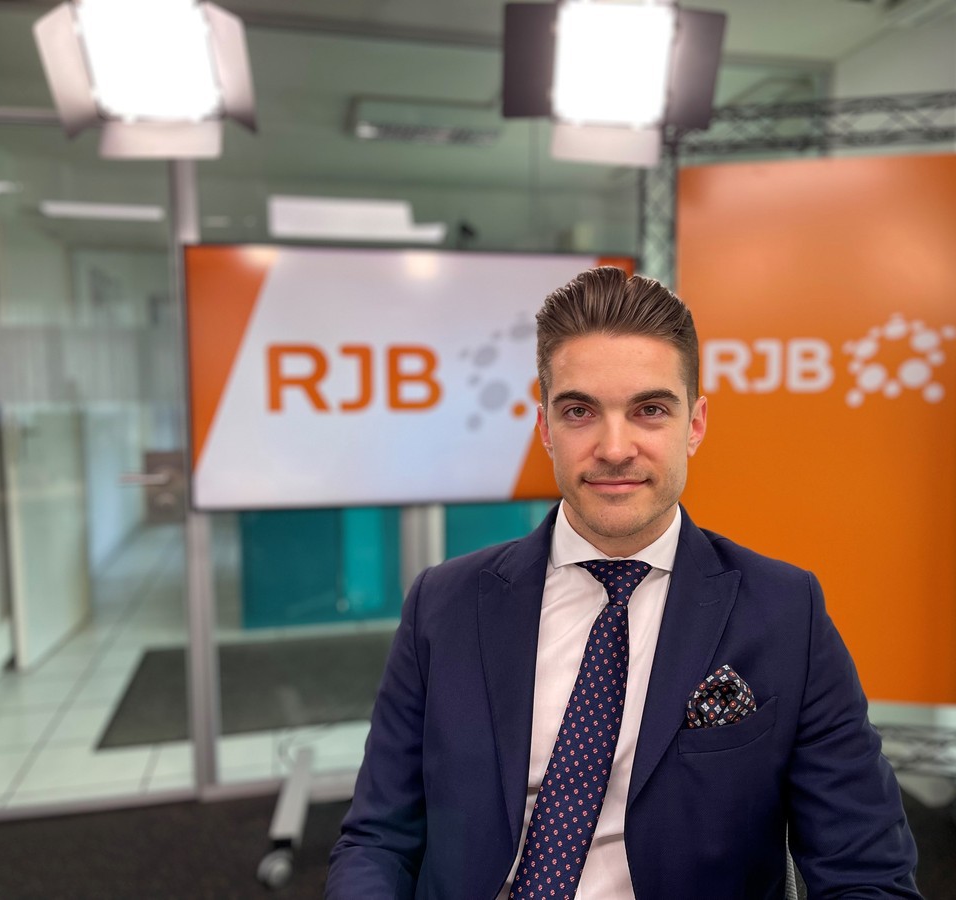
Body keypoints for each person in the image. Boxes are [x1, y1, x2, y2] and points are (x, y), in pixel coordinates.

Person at [326, 266, 920, 899]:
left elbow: (865, 871)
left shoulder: (785, 614)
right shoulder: (443, 604)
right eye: (580, 411)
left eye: (650, 410)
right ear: (544, 427)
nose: (614, 448)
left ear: (695, 424)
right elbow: (378, 840)